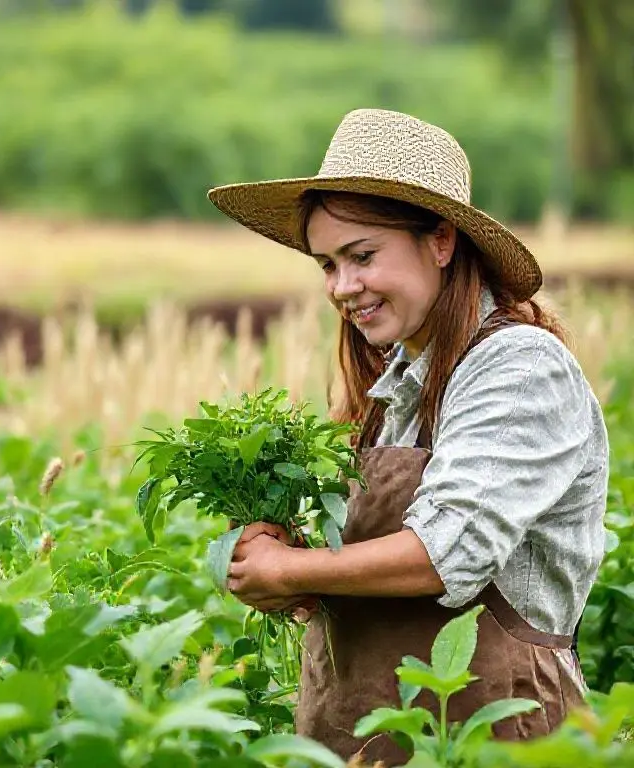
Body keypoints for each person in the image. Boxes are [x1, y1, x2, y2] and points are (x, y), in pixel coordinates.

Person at [206, 109, 609, 766]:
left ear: (441, 242)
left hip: (497, 738)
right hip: (364, 738)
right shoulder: (387, 392)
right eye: (328, 265)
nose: (343, 287)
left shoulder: (520, 367)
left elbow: (445, 553)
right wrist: (290, 576)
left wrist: (294, 568)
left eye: (362, 256)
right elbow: (367, 576)